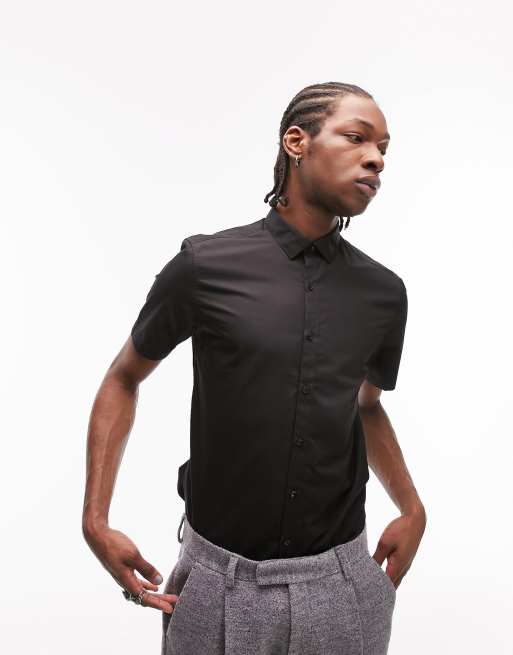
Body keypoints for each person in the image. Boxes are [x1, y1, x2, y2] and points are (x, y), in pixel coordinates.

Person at [82, 81, 426, 655]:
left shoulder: (384, 294)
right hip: (216, 586)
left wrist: (412, 508)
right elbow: (124, 377)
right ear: (297, 141)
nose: (377, 159)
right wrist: (95, 519)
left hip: (342, 588)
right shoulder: (204, 266)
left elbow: (366, 407)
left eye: (384, 149)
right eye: (357, 137)